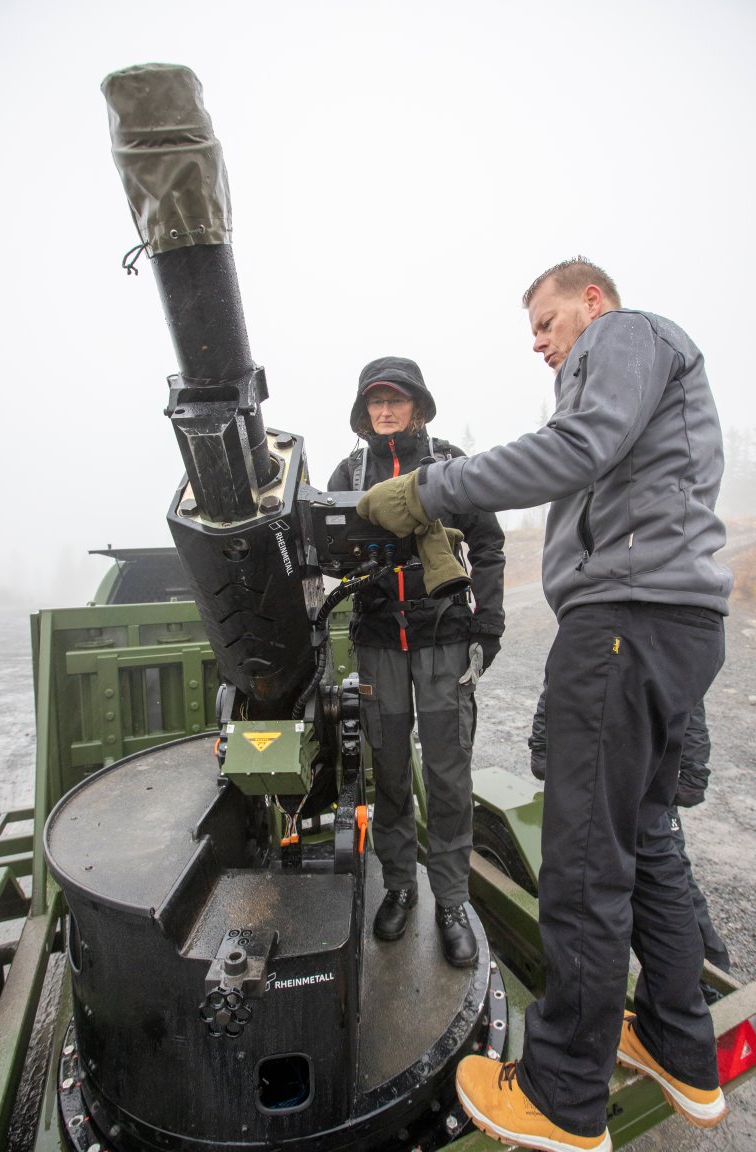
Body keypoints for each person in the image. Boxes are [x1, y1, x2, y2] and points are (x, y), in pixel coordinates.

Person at [356, 261, 732, 1152]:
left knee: (584, 860)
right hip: (671, 623)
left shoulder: (624, 336)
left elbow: (574, 448)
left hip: (624, 621)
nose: (540, 341)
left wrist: (425, 492)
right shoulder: (652, 378)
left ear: (591, 301)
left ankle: (563, 1092)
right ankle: (681, 1044)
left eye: (547, 320)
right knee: (644, 840)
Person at [328, 356, 506, 967]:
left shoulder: (452, 467)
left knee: (450, 778)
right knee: (392, 774)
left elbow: (487, 544)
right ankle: (401, 885)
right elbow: (322, 553)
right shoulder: (347, 474)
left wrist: (489, 627)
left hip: (443, 643)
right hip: (379, 646)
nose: (384, 411)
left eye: (394, 400)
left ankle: (451, 900)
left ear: (418, 407)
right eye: (374, 401)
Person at [529, 689, 732, 990]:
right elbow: (560, 678)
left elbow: (688, 687)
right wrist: (544, 747)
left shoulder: (669, 644)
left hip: (648, 784)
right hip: (593, 778)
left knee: (671, 884)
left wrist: (691, 769)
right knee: (590, 889)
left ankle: (710, 984)